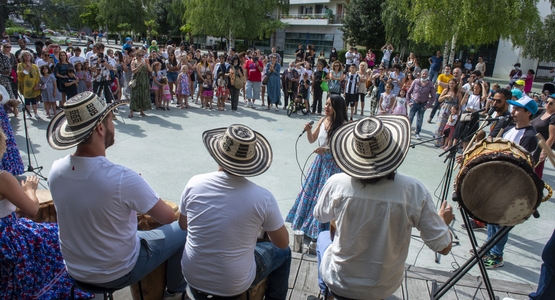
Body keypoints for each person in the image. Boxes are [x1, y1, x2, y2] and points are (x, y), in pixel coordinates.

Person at [47, 92, 188, 296]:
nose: (113, 126)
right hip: (117, 271)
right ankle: (175, 291)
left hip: (75, 270)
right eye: (111, 120)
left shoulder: (55, 170)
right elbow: (167, 216)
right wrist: (140, 186)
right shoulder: (122, 178)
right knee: (182, 231)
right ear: (100, 127)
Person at [313, 115, 453, 299]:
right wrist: (443, 223)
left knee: (323, 237)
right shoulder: (414, 191)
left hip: (341, 282)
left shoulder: (337, 183)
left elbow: (320, 215)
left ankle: (327, 294)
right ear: (393, 150)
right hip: (384, 287)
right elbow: (443, 247)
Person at [179, 124, 291, 299]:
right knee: (284, 253)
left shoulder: (194, 183)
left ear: (218, 154)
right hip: (234, 285)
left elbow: (183, 224)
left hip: (192, 275)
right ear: (250, 163)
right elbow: (283, 243)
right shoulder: (263, 198)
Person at [0, 134, 92, 298]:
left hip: (7, 231)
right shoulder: (3, 178)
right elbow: (33, 209)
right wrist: (30, 189)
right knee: (59, 235)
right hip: (8, 241)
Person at [480, 96, 539, 270]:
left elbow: (520, 163)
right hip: (499, 181)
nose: (512, 111)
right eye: (513, 109)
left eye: (517, 109)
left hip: (511, 185)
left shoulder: (529, 136)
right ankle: (490, 247)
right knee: (492, 217)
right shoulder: (510, 129)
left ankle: (497, 255)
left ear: (528, 113)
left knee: (502, 220)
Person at [286, 95, 348, 239]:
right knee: (310, 193)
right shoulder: (322, 120)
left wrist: (326, 150)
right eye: (326, 104)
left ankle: (321, 231)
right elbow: (312, 140)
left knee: (324, 197)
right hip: (319, 163)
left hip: (333, 167)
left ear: (337, 108)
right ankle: (306, 226)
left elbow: (343, 149)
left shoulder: (343, 125)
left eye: (330, 105)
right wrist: (308, 130)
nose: (326, 107)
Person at [407, 69, 435, 140]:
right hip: (414, 103)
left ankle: (417, 133)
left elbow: (433, 97)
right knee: (410, 117)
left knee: (420, 119)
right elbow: (408, 92)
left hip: (423, 104)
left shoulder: (430, 84)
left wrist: (428, 105)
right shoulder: (416, 81)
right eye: (423, 74)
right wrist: (408, 102)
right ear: (421, 74)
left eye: (426, 74)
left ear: (428, 75)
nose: (424, 75)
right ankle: (407, 131)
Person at [531, 94, 555, 177]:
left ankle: (537, 188)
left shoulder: (553, 117)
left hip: (540, 147)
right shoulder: (544, 112)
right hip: (532, 144)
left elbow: (552, 137)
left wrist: (544, 152)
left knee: (535, 171)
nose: (547, 104)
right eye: (547, 102)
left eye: (551, 103)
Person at [434, 78, 462, 147]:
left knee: (449, 127)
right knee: (440, 125)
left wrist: (458, 113)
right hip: (444, 109)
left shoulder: (458, 93)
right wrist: (445, 96)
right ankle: (438, 142)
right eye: (450, 83)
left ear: (455, 84)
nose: (451, 85)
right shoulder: (446, 90)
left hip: (453, 110)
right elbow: (439, 99)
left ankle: (446, 143)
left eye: (452, 83)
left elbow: (460, 104)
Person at [16, 50, 41, 119]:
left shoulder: (35, 66)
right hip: (25, 86)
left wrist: (37, 85)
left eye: (28, 55)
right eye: (25, 55)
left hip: (34, 86)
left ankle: (36, 113)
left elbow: (38, 76)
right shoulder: (20, 65)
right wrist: (26, 69)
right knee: (27, 101)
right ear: (22, 57)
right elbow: (19, 74)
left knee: (34, 101)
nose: (27, 57)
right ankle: (28, 113)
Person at [129, 49, 151, 118]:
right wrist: (140, 65)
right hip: (136, 80)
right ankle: (131, 112)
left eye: (142, 55)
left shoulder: (145, 61)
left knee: (142, 95)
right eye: (140, 55)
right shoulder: (134, 61)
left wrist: (147, 64)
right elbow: (133, 71)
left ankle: (142, 111)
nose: (141, 56)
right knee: (134, 95)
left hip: (144, 80)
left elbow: (150, 70)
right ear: (136, 55)